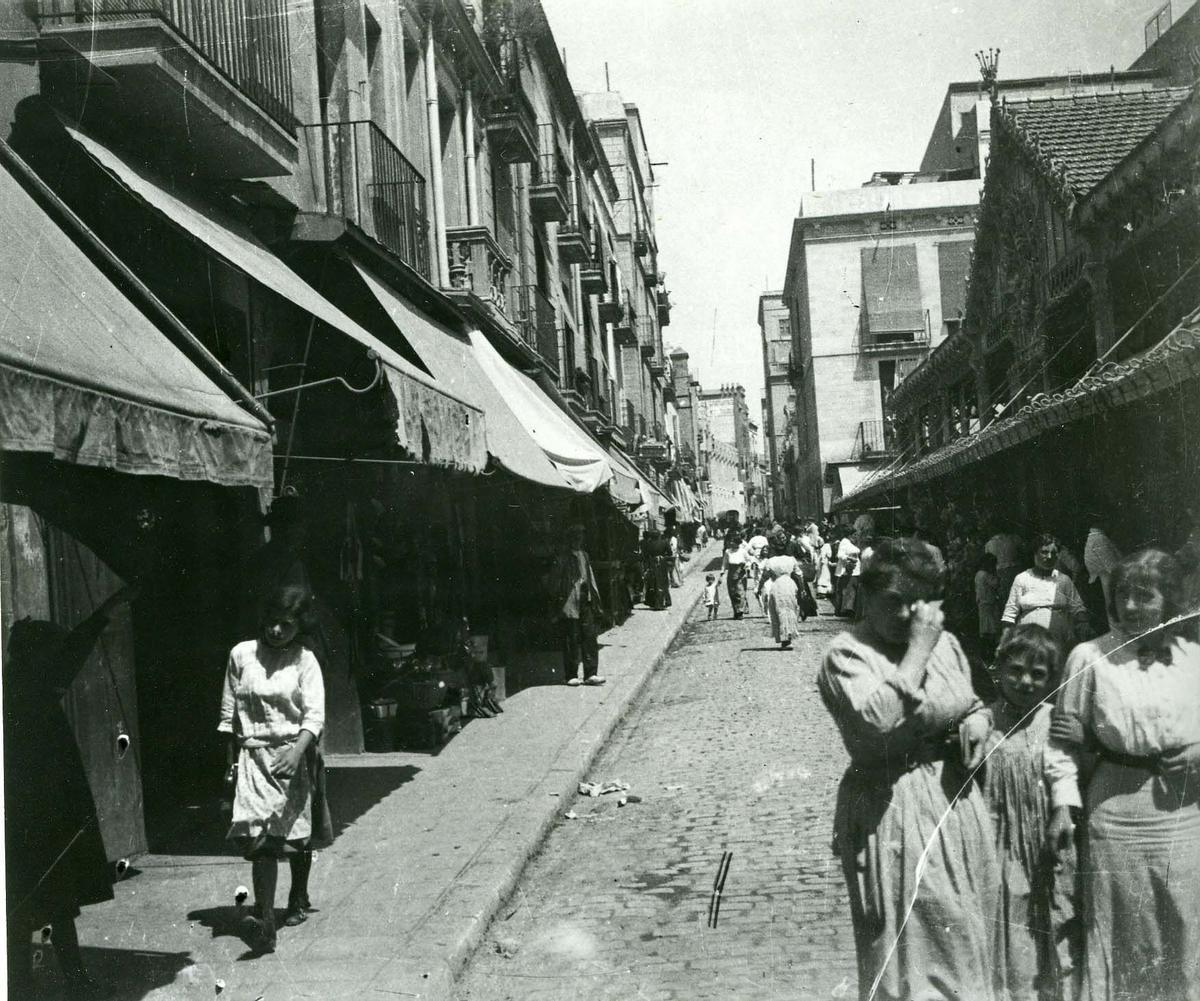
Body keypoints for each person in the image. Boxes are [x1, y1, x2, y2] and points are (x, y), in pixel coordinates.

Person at [818, 539, 996, 1001]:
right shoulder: (846, 654)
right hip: (892, 807)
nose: (906, 615)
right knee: (910, 958)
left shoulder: (947, 644)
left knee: (965, 939)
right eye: (893, 602)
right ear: (864, 594)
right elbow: (877, 723)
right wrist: (917, 650)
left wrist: (977, 722)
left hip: (955, 803)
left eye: (918, 603)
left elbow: (971, 702)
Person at [1046, 549, 1200, 1001]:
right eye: (1122, 596)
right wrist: (1061, 804)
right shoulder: (1088, 656)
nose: (1130, 606)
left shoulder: (1195, 656)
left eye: (1144, 595)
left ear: (1168, 601)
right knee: (1122, 933)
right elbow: (1062, 743)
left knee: (1187, 926)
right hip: (1116, 816)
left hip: (1187, 814)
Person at [5, 585, 139, 999]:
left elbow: (71, 651)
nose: (59, 663)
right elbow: (72, 651)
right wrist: (106, 609)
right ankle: (46, 982)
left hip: (38, 818)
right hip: (33, 819)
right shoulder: (23, 694)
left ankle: (35, 983)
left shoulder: (28, 686)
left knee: (36, 905)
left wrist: (107, 608)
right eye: (50, 655)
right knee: (41, 903)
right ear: (34, 658)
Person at [219, 585, 331, 954]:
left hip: (293, 755)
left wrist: (297, 753)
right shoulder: (241, 655)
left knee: (294, 836)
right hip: (252, 756)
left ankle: (297, 895)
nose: (277, 631)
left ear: (300, 626)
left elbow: (314, 715)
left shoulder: (305, 661)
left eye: (286, 625)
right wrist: (230, 764)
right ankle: (266, 923)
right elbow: (228, 715)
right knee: (260, 839)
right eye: (272, 623)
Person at [983, 625, 1078, 1001]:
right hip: (998, 837)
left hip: (1045, 835)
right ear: (999, 670)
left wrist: (1062, 810)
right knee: (1008, 911)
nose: (1025, 682)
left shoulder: (1052, 719)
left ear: (1050, 678)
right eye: (1016, 671)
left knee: (1052, 911)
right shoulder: (985, 720)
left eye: (1037, 674)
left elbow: (1062, 768)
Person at [1001, 534, 1090, 650]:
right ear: (1035, 553)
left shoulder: (1064, 580)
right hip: (1030, 640)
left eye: (1053, 553)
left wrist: (1083, 624)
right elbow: (1009, 614)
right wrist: (1006, 641)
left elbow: (1078, 608)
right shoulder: (1022, 578)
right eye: (1044, 552)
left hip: (1061, 639)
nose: (1049, 557)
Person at [553, 524, 606, 686]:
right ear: (569, 539)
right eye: (575, 536)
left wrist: (596, 600)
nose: (578, 539)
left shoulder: (584, 555)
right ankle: (571, 675)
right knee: (571, 639)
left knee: (589, 636)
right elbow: (554, 582)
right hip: (569, 602)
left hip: (585, 600)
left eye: (580, 536)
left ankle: (591, 673)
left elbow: (590, 578)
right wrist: (558, 601)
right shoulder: (562, 558)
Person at [757, 535, 805, 649]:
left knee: (779, 611)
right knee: (790, 610)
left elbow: (764, 576)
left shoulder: (770, 561)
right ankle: (789, 637)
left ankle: (784, 639)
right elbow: (799, 576)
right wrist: (802, 589)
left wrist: (759, 588)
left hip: (777, 585)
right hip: (790, 584)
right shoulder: (791, 559)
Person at [1082, 514, 1121, 628]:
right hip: (1105, 583)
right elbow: (1112, 566)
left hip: (1102, 583)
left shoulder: (1094, 538)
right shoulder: (1099, 539)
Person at [987, 523, 1026, 604]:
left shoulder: (990, 543)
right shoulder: (1014, 539)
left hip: (1000, 572)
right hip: (1014, 570)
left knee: (1005, 598)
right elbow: (1023, 553)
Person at [975, 551, 1002, 658]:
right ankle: (989, 652)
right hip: (989, 602)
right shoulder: (988, 575)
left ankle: (984, 651)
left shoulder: (978, 574)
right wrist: (996, 575)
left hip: (981, 602)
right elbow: (996, 584)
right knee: (991, 627)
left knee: (984, 626)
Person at [641, 529, 672, 611]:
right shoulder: (664, 542)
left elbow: (645, 555)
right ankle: (664, 602)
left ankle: (654, 602)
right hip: (662, 564)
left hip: (652, 564)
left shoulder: (648, 544)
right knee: (663, 582)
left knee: (653, 583)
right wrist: (663, 557)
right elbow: (670, 553)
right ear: (659, 535)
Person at [722, 530, 750, 619]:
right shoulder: (727, 552)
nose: (730, 542)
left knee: (741, 593)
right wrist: (722, 573)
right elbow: (724, 563)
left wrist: (746, 566)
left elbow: (749, 560)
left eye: (732, 541)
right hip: (731, 573)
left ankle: (740, 611)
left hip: (741, 573)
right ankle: (736, 611)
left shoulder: (743, 551)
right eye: (730, 541)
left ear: (737, 542)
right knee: (732, 593)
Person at [834, 528, 861, 618]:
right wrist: (850, 558)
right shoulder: (844, 542)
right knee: (848, 590)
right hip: (848, 570)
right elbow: (840, 555)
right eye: (854, 535)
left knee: (849, 590)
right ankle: (845, 609)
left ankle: (845, 609)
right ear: (850, 535)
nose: (856, 537)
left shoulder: (849, 543)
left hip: (853, 570)